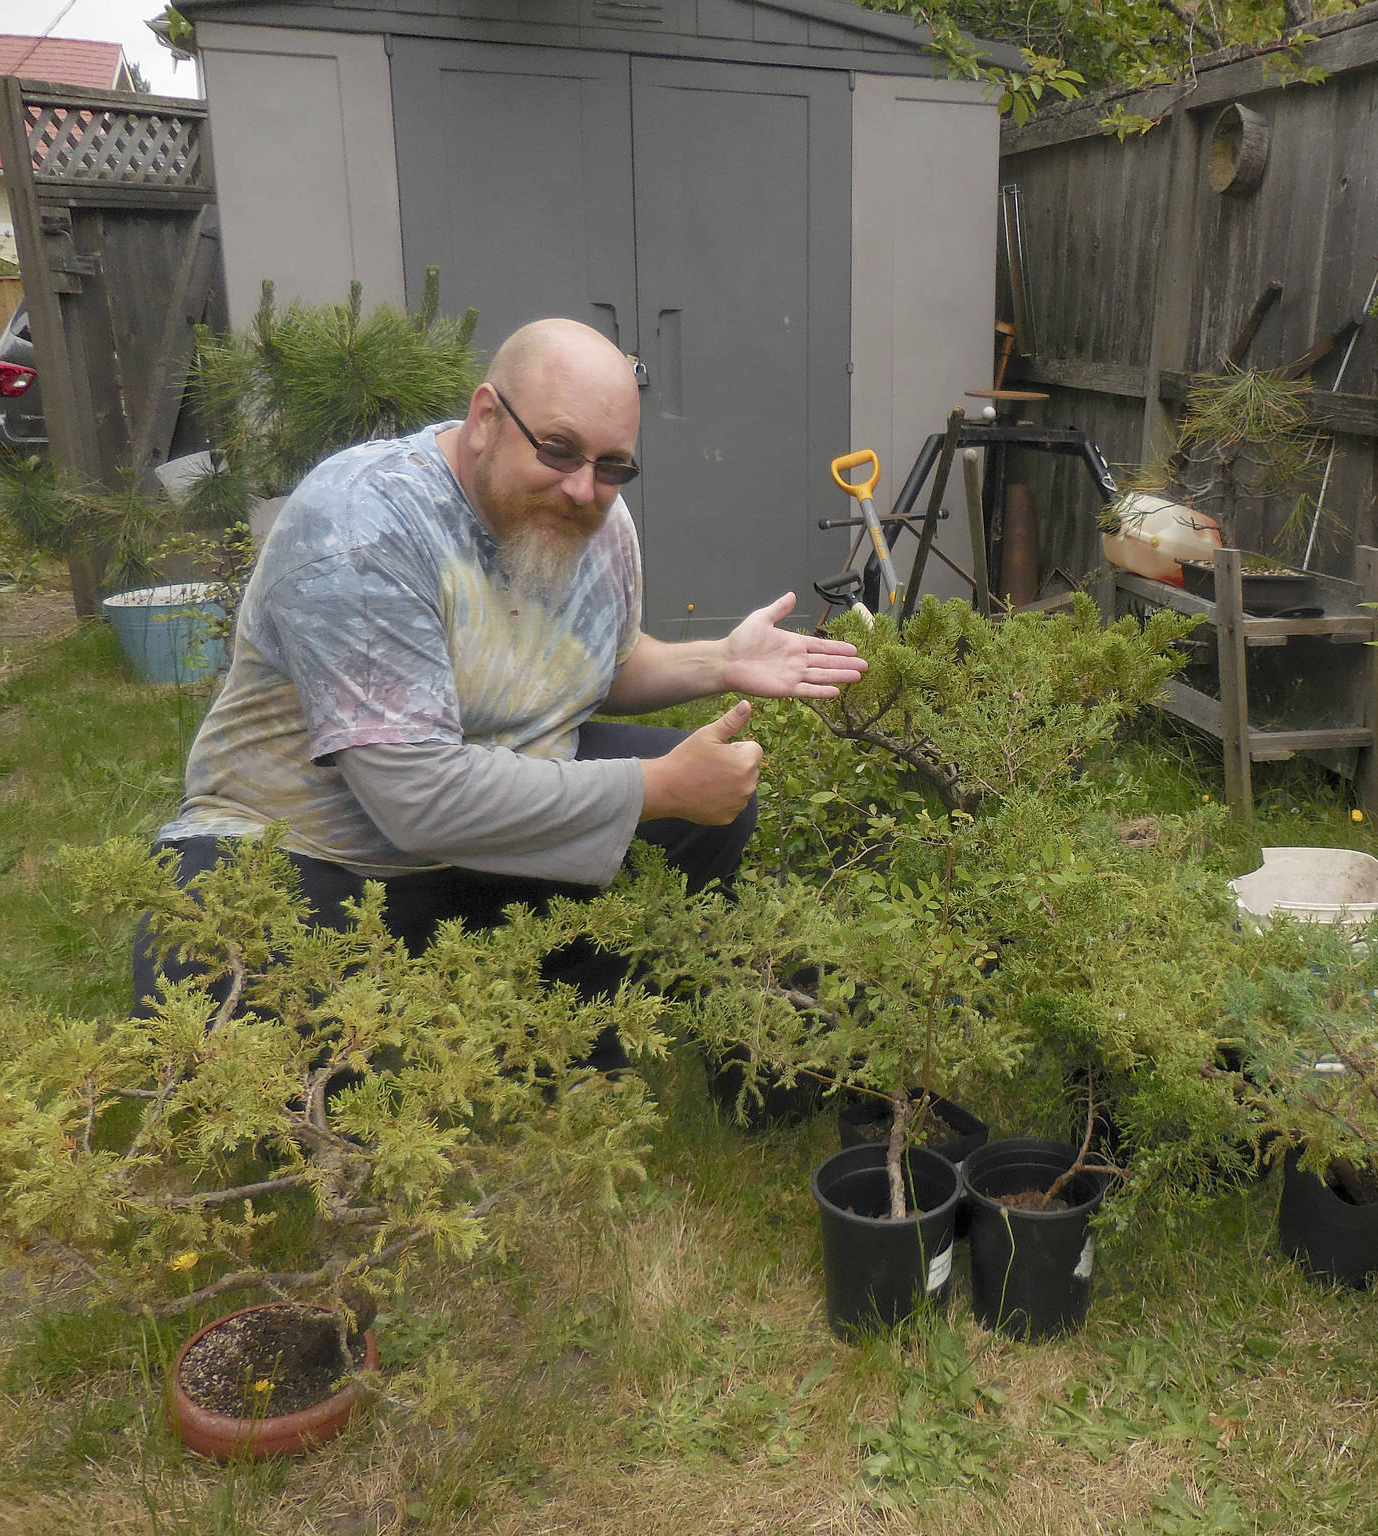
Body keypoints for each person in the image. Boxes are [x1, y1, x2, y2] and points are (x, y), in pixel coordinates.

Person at [135, 318, 866, 1063]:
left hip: (483, 836)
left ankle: (562, 1031)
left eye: (614, 466)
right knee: (262, 1041)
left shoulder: (590, 517)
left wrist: (718, 662)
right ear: (487, 418)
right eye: (558, 449)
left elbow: (592, 670)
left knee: (712, 809)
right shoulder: (361, 529)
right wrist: (654, 787)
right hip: (314, 854)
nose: (585, 486)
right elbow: (416, 800)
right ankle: (439, 1018)